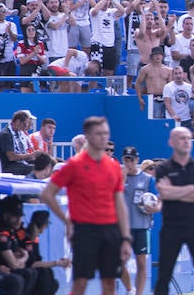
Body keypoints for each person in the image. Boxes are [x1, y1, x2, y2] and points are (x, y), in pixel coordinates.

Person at [40, 116, 132, 295]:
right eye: (99, 133)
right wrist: (67, 221)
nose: (103, 137)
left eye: (106, 133)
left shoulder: (114, 167)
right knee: (80, 283)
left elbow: (119, 202)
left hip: (110, 229)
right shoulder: (75, 165)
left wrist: (126, 236)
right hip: (85, 229)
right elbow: (47, 193)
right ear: (88, 136)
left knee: (109, 282)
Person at [154, 127, 194, 295]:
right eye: (181, 138)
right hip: (171, 228)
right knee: (163, 276)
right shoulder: (163, 169)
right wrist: (190, 188)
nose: (186, 141)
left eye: (188, 138)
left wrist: (175, 192)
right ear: (171, 142)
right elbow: (164, 192)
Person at [121, 147, 158, 295]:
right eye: (126, 160)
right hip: (123, 227)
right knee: (119, 261)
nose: (129, 163)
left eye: (131, 160)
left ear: (137, 160)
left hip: (141, 226)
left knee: (141, 263)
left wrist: (154, 208)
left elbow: (158, 201)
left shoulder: (148, 179)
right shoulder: (119, 178)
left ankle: (139, 293)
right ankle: (130, 289)